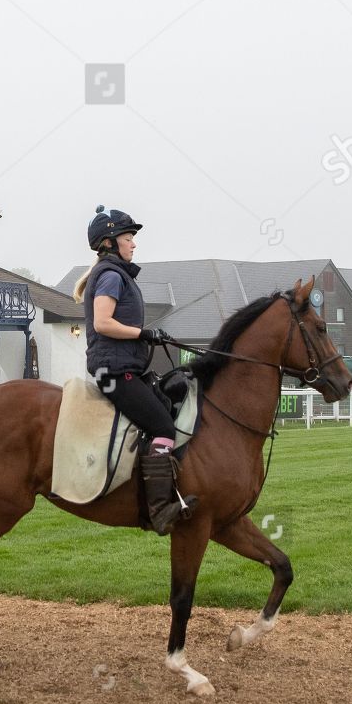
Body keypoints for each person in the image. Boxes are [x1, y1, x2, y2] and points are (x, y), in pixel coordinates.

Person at [72, 205, 197, 535]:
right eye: (129, 237)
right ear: (111, 242)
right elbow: (102, 323)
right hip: (115, 372)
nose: (134, 244)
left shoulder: (116, 274)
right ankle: (158, 510)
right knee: (163, 427)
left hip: (126, 368)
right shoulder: (112, 276)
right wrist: (144, 333)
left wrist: (149, 337)